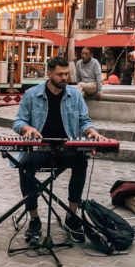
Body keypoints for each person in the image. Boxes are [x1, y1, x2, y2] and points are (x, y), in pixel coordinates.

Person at [13, 56, 106, 243]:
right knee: (25, 165)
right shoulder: (31, 94)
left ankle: (71, 216)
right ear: (49, 74)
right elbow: (18, 121)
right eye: (60, 74)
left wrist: (91, 132)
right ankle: (34, 219)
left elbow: (84, 121)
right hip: (40, 150)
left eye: (66, 74)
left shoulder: (75, 95)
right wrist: (27, 129)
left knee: (81, 161)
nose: (65, 78)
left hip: (66, 149)